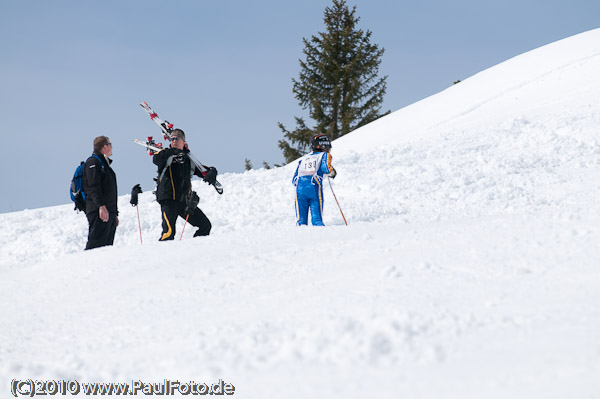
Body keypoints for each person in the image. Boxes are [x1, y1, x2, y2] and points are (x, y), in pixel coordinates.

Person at [152, 129, 217, 240]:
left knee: (205, 226)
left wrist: (212, 172)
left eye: (177, 138)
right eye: (172, 139)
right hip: (168, 199)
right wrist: (173, 152)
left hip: (184, 202)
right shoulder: (165, 154)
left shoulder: (188, 159)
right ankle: (161, 255)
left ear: (183, 141)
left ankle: (194, 251)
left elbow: (202, 170)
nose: (174, 141)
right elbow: (156, 159)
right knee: (169, 232)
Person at [292, 134, 337, 226]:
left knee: (300, 220)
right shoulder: (324, 155)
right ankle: (320, 235)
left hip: (299, 190)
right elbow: (326, 168)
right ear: (323, 146)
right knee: (316, 219)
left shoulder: (304, 159)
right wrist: (333, 173)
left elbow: (294, 179)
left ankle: (299, 236)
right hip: (314, 189)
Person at [82, 136, 119, 250]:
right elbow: (94, 187)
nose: (112, 147)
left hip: (108, 211)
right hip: (99, 211)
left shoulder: (104, 164)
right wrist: (101, 207)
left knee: (106, 247)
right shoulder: (93, 162)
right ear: (104, 147)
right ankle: (86, 265)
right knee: (95, 245)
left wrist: (114, 213)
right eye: (110, 144)